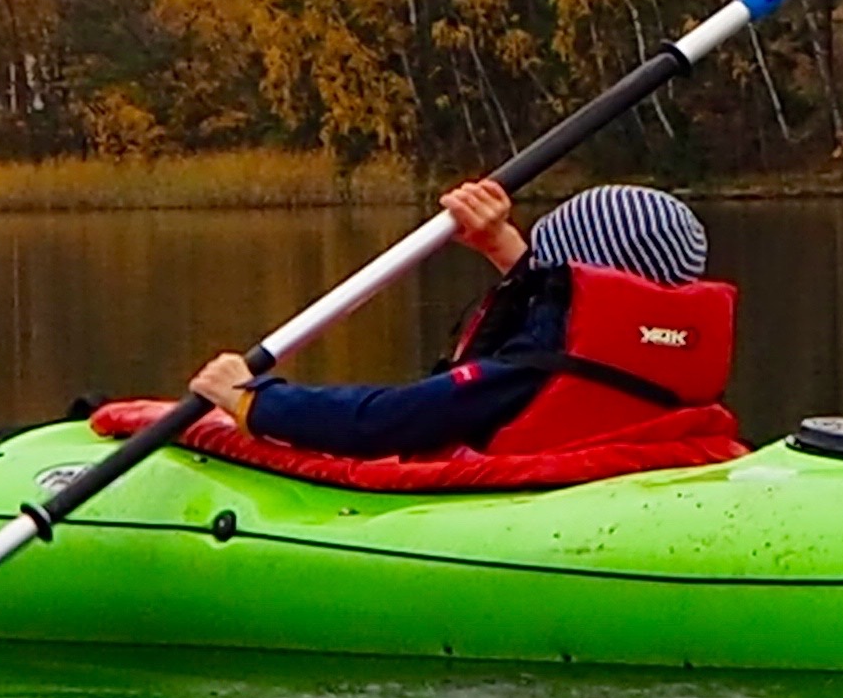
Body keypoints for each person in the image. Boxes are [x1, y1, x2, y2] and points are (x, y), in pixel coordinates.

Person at [142, 177, 747, 491]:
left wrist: (254, 399)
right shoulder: (664, 353)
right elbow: (581, 319)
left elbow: (380, 423)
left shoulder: (523, 376)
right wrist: (503, 247)